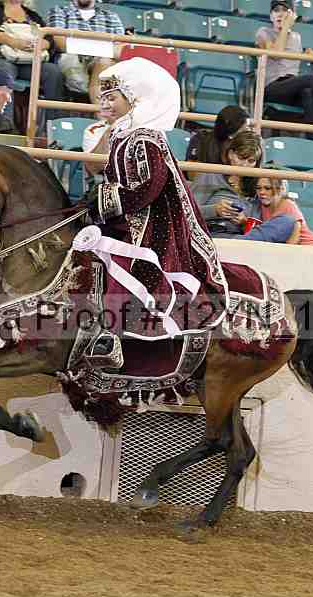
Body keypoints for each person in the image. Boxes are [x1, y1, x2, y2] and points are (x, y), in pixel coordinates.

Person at [81, 57, 228, 368]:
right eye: (104, 97)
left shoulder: (145, 138)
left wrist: (106, 199)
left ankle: (112, 335)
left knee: (118, 255)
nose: (105, 103)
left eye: (112, 97)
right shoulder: (123, 135)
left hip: (151, 222)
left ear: (134, 99)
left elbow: (151, 184)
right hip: (128, 214)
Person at [256, 0, 313, 143]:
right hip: (272, 87)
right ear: (271, 16)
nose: (280, 14)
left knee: (308, 93)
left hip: (292, 87)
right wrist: (285, 27)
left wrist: (311, 55)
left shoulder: (296, 37)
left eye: (285, 10)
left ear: (292, 15)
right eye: (276, 10)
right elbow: (276, 53)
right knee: (312, 79)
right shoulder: (264, 32)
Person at [0, 0, 65, 132]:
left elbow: (49, 40)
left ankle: (55, 127)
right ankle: (4, 123)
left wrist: (42, 44)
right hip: (3, 58)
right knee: (4, 71)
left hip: (30, 60)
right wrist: (14, 42)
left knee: (53, 71)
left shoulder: (32, 15)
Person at [47, 0, 125, 104]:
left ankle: (100, 110)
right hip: (73, 58)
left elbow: (120, 47)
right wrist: (103, 48)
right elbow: (60, 42)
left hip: (103, 60)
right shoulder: (59, 11)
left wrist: (82, 45)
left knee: (105, 63)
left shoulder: (112, 16)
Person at [254, 174, 313, 246]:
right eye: (258, 188)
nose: (261, 192)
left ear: (279, 189)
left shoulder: (288, 204)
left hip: (311, 247)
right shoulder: (260, 206)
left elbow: (295, 237)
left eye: (267, 188)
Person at [184, 105, 251, 180]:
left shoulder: (248, 145)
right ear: (232, 133)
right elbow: (192, 175)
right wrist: (225, 179)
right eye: (245, 128)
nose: (249, 131)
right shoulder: (200, 139)